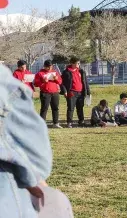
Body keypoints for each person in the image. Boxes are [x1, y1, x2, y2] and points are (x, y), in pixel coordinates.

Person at [0, 64, 73, 218]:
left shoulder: (45, 72)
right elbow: (39, 162)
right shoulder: (25, 74)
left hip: (51, 92)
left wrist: (55, 79)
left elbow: (58, 81)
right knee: (44, 110)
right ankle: (46, 120)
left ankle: (56, 122)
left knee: (55, 109)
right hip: (39, 95)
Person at [61, 56, 91, 128]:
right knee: (71, 108)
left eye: (79, 63)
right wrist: (64, 91)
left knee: (80, 107)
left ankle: (81, 121)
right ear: (72, 63)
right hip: (71, 92)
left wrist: (88, 92)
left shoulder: (81, 71)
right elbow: (61, 83)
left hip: (80, 93)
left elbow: (85, 82)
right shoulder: (66, 72)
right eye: (77, 63)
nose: (78, 64)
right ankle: (69, 122)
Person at [34, 60, 63, 128]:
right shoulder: (40, 73)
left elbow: (60, 81)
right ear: (44, 66)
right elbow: (36, 83)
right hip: (45, 92)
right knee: (44, 108)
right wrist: (43, 81)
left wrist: (56, 79)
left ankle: (55, 123)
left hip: (55, 92)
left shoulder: (55, 72)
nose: (49, 68)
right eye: (48, 67)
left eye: (50, 67)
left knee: (55, 108)